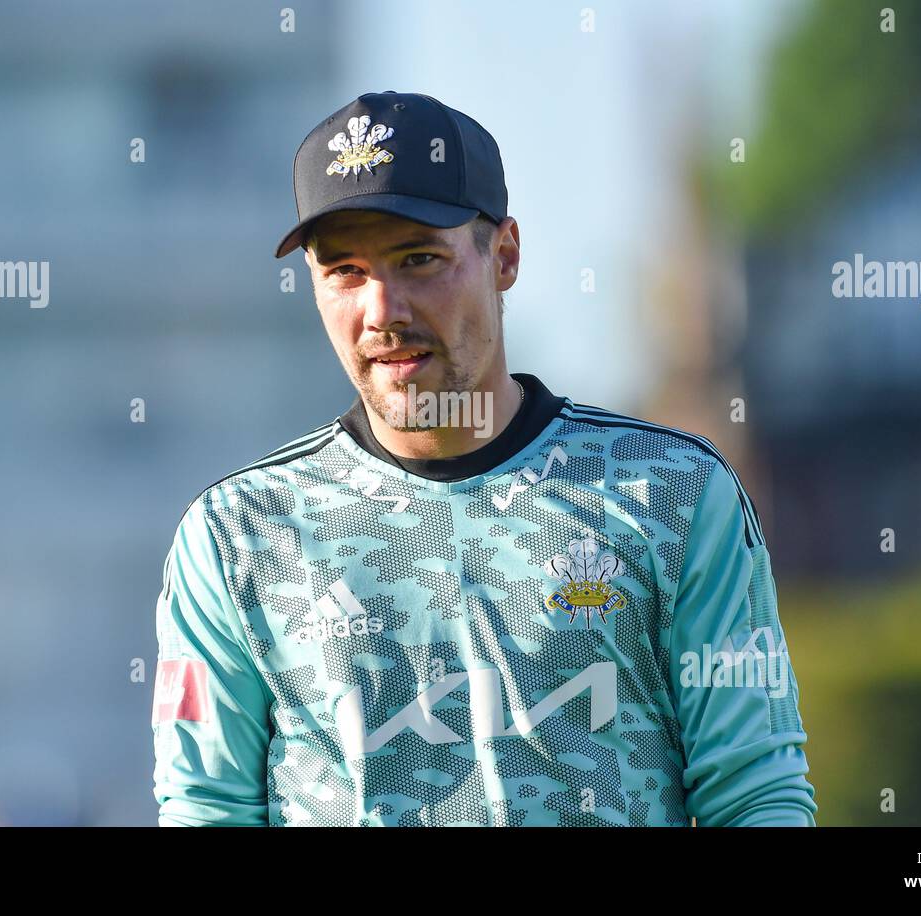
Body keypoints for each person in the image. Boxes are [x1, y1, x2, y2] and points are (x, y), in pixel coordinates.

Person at [151, 91, 817, 826]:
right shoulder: (238, 535)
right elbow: (205, 809)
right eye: (344, 271)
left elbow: (754, 797)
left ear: (504, 256)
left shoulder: (672, 493)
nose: (383, 311)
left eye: (418, 259)